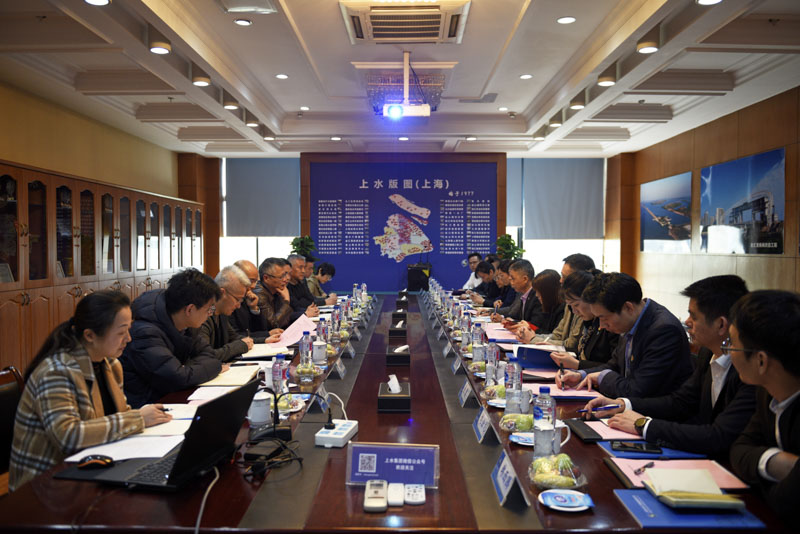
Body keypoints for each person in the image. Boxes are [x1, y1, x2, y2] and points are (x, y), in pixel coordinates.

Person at [9, 291, 172, 491]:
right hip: (45, 485)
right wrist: (138, 418)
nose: (128, 339)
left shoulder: (110, 365)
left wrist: (143, 421)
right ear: (89, 335)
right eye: (121, 332)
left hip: (92, 468)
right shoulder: (56, 372)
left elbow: (118, 416)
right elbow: (68, 436)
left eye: (129, 330)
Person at [582, 275, 755, 457]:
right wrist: (622, 404)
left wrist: (644, 425)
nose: (687, 322)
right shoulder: (708, 353)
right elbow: (680, 402)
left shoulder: (748, 372)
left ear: (721, 325)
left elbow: (718, 436)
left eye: (694, 316)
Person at [556, 272, 693, 398]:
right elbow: (614, 365)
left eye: (604, 318)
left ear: (628, 308)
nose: (601, 326)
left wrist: (602, 377)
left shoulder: (663, 330)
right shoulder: (631, 321)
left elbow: (637, 390)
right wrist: (580, 375)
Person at [729, 290, 800, 524]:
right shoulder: (767, 390)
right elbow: (739, 450)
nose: (729, 353)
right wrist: (778, 462)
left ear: (761, 360)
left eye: (733, 345)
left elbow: (785, 504)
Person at [120, 268, 226, 408]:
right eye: (209, 309)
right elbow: (177, 379)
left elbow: (209, 354)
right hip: (147, 408)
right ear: (190, 309)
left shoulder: (186, 323)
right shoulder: (145, 332)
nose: (210, 314)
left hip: (171, 399)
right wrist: (215, 366)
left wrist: (186, 368)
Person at [528, 270, 617, 369]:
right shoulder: (589, 320)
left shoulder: (610, 324)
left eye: (576, 305)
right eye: (571, 306)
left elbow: (615, 367)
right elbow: (580, 352)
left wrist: (577, 364)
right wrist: (556, 349)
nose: (574, 311)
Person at [199, 266, 281, 362]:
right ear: (222, 293)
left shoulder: (221, 313)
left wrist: (264, 340)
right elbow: (206, 356)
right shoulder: (202, 316)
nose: (238, 305)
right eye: (237, 299)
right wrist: (239, 346)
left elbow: (235, 337)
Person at [528, 253, 596, 348]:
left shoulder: (584, 306)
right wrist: (532, 337)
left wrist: (532, 339)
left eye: (565, 277)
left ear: (579, 278)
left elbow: (572, 345)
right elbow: (558, 335)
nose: (560, 280)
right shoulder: (569, 304)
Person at [229, 259, 283, 342]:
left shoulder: (248, 296)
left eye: (256, 281)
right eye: (251, 281)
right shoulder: (227, 300)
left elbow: (260, 329)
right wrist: (266, 336)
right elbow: (235, 336)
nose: (253, 286)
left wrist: (254, 308)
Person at [491, 259, 545, 327]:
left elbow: (534, 325)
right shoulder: (522, 293)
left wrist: (509, 322)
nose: (511, 282)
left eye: (513, 278)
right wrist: (502, 319)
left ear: (525, 279)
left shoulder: (537, 296)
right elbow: (519, 319)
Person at [254, 257, 293, 330]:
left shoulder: (277, 290)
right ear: (266, 278)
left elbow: (287, 320)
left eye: (285, 275)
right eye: (281, 277)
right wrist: (286, 301)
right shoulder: (259, 294)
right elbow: (274, 325)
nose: (285, 279)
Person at [286, 254, 326, 319]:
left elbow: (310, 299)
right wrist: (306, 312)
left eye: (304, 267)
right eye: (300, 267)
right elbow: (295, 307)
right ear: (289, 269)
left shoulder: (302, 281)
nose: (303, 271)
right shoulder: (285, 285)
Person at [530, 269, 565, 334]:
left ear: (548, 292)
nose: (536, 295)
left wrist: (531, 328)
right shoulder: (548, 306)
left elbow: (553, 336)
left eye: (539, 292)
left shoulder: (562, 310)